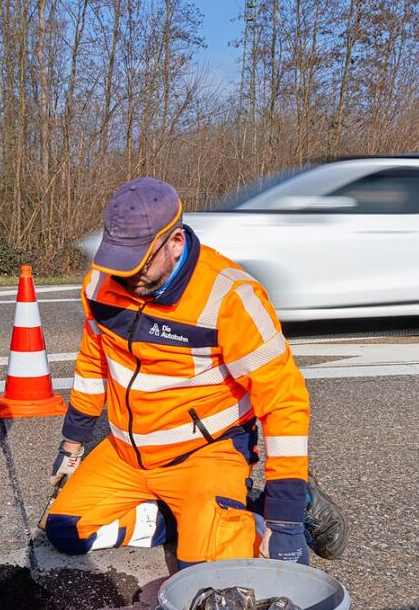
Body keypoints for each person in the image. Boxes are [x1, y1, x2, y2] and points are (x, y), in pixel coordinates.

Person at [43, 177, 346, 567]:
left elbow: (285, 401)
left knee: (202, 571)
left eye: (139, 263)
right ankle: (198, 517)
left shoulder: (231, 297)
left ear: (175, 241)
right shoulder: (100, 285)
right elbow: (92, 362)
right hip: (127, 455)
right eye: (119, 261)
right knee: (67, 529)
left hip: (205, 454)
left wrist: (284, 519)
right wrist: (72, 442)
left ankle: (268, 513)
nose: (126, 277)